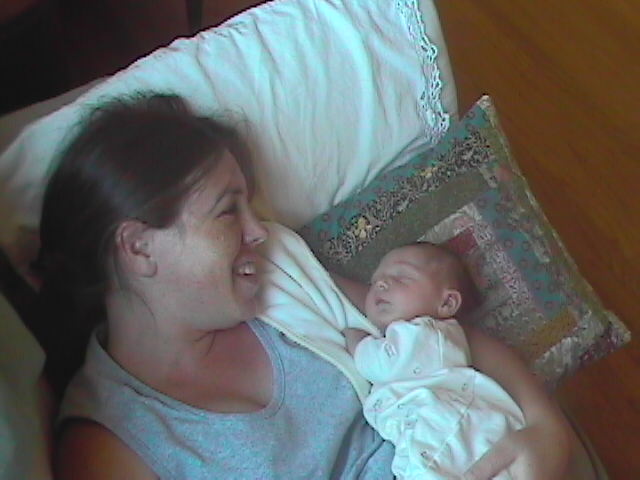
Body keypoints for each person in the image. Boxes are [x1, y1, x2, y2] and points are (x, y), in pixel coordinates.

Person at [39, 93, 572, 479]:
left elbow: (434, 338)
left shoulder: (276, 270)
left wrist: (548, 430)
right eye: (228, 211)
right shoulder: (113, 445)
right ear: (139, 248)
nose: (257, 230)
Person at [341, 242, 525, 479]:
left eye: (400, 277)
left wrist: (358, 342)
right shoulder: (428, 340)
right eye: (374, 280)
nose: (381, 284)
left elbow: (382, 365)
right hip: (440, 441)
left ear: (446, 303)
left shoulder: (423, 333)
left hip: (443, 434)